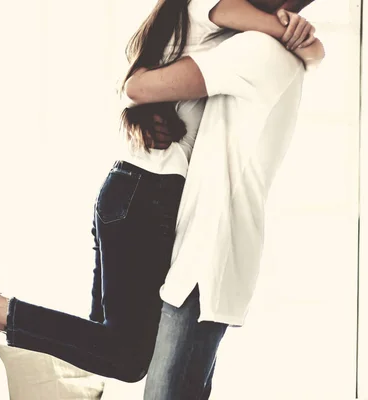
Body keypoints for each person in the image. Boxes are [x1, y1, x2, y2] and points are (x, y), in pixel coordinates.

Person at [0, 0, 322, 389]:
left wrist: (300, 39)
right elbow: (137, 87)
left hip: (133, 191)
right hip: (149, 193)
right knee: (127, 357)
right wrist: (294, 34)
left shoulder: (203, 32)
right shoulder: (219, 17)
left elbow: (133, 84)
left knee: (112, 348)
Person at [124, 0, 324, 398]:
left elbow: (137, 87)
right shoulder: (280, 54)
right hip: (215, 249)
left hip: (206, 252)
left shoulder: (256, 50)